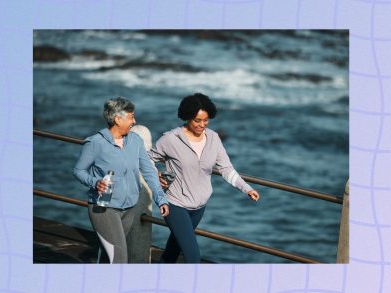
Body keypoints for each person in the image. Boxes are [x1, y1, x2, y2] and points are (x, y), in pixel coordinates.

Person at [148, 93, 260, 263]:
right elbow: (147, 159)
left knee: (172, 251)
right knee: (193, 256)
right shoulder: (171, 139)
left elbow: (226, 168)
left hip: (199, 207)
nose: (202, 125)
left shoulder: (214, 138)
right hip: (175, 204)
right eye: (197, 120)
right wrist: (155, 174)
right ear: (187, 118)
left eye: (206, 120)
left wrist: (247, 188)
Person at [73, 97, 169, 264]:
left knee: (107, 256)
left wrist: (160, 198)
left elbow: (148, 170)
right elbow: (78, 171)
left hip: (129, 208)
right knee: (119, 258)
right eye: (131, 117)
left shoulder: (135, 141)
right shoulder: (96, 143)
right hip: (104, 209)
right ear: (118, 119)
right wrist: (95, 182)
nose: (134, 121)